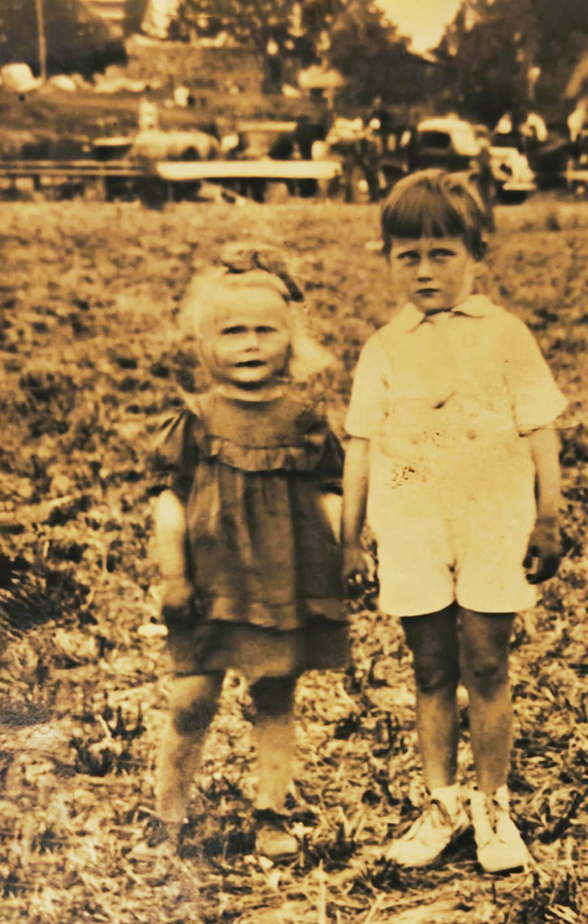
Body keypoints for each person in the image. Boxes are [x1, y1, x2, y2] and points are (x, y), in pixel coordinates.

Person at [341, 170, 567, 872]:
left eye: (441, 253)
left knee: (487, 663)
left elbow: (540, 428)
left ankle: (493, 807)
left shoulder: (507, 335)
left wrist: (548, 517)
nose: (424, 270)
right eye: (407, 255)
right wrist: (350, 538)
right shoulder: (384, 347)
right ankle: (441, 803)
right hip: (412, 525)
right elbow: (360, 446)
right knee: (432, 667)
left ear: (476, 254)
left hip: (493, 521)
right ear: (387, 258)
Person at [150, 245, 347, 861]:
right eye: (233, 331)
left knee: (274, 695)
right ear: (206, 343)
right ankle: (168, 818)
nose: (250, 344)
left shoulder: (306, 419)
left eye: (266, 330)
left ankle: (271, 812)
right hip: (209, 584)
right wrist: (173, 575)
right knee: (191, 699)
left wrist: (350, 550)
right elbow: (170, 501)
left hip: (281, 583)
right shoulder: (195, 419)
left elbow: (330, 492)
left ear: (292, 338)